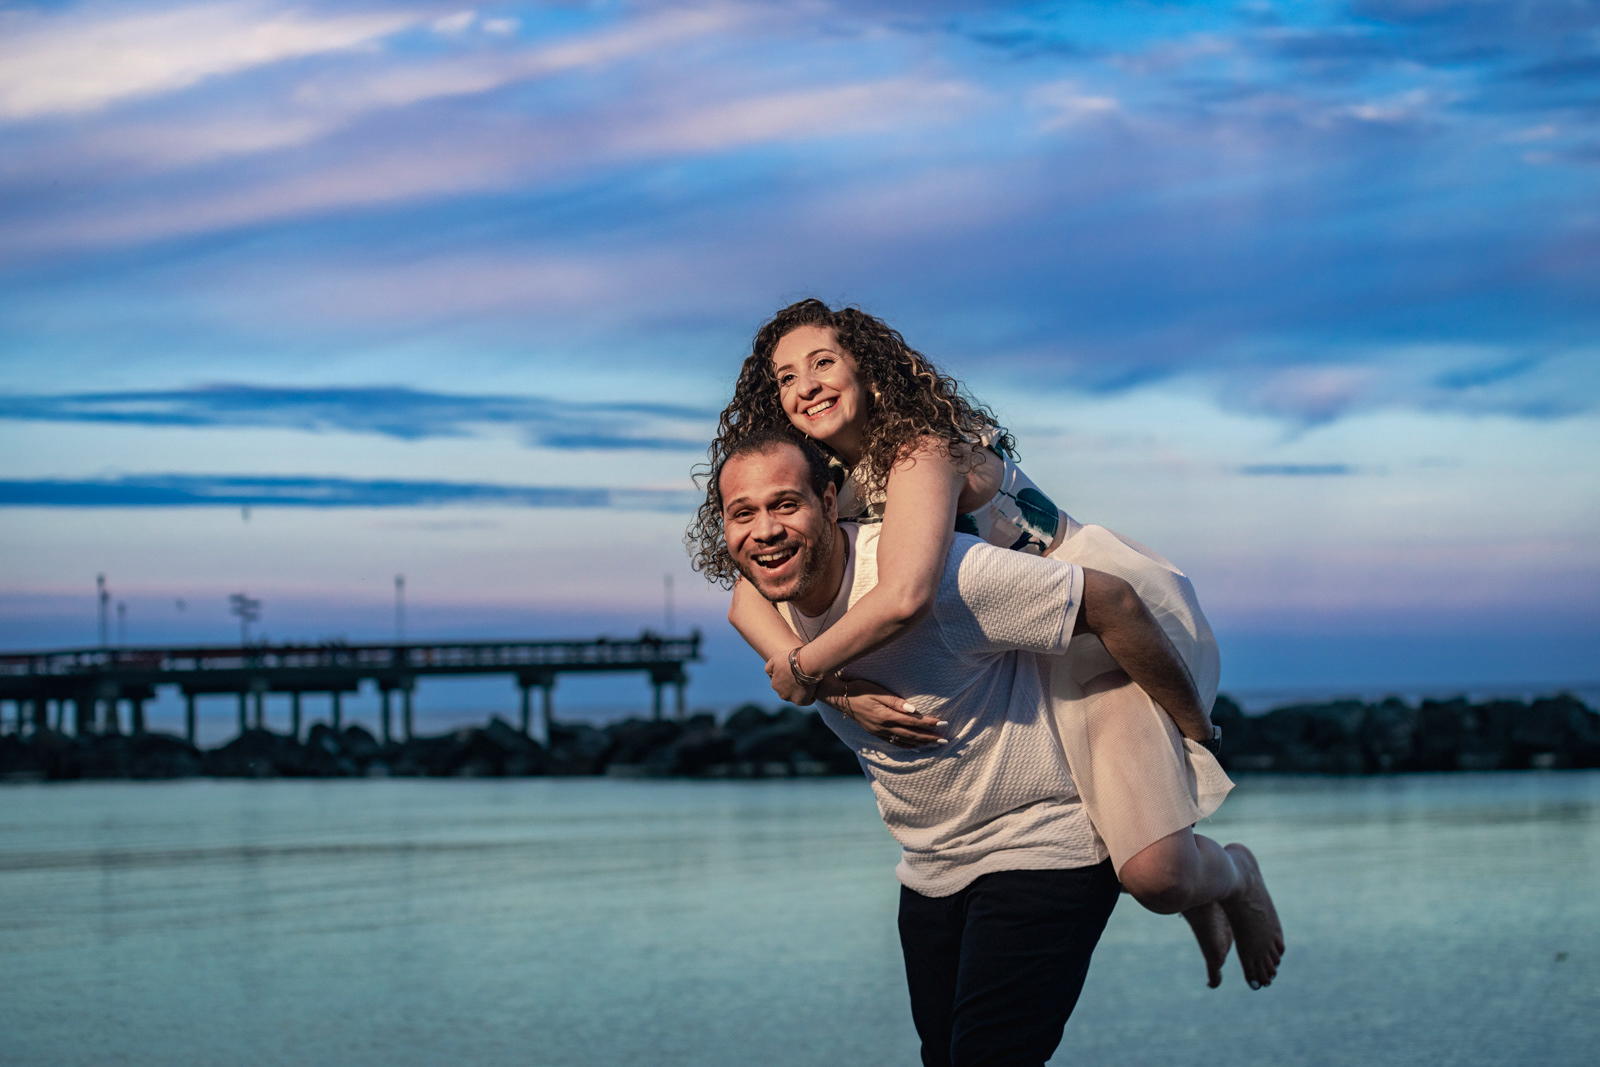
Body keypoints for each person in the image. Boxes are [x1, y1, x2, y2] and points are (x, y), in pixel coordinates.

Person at [687, 299, 1283, 991]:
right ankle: (1198, 891)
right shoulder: (827, 489)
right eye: (787, 377)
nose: (807, 385)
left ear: (870, 372)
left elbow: (905, 594)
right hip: (1025, 654)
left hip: (1104, 627)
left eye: (823, 363)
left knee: (1154, 872)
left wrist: (805, 671)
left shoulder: (922, 448)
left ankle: (1233, 873)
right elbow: (746, 598)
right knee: (1141, 855)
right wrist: (836, 688)